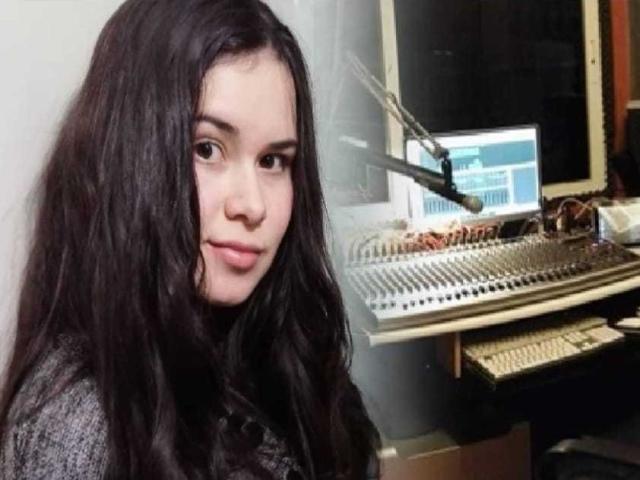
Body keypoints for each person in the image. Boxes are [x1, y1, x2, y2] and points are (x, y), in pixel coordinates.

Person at [0, 0, 380, 478]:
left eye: (273, 161)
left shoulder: (279, 347)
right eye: (207, 149)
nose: (252, 205)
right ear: (127, 155)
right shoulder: (77, 426)